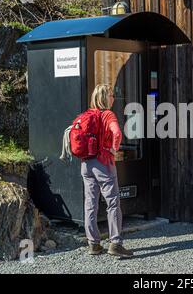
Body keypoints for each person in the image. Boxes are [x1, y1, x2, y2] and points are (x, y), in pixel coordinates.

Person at [81, 84, 134, 257]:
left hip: (86, 164)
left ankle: (93, 244)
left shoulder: (87, 115)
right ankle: (116, 243)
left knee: (90, 203)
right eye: (111, 95)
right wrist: (113, 149)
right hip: (103, 164)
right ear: (104, 98)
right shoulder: (107, 114)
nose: (113, 98)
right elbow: (117, 133)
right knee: (112, 203)